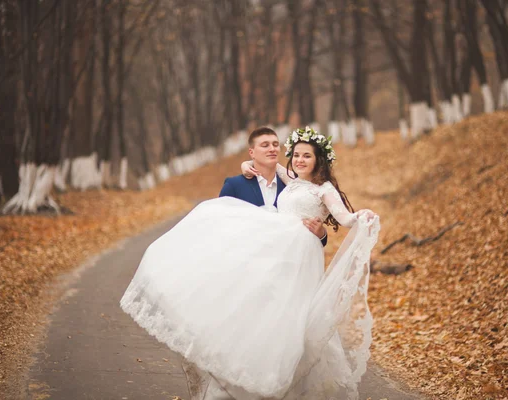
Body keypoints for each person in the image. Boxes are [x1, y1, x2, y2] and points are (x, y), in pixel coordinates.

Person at [120, 126, 380, 400]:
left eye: (277, 145)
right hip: (253, 267)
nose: (296, 158)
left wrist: (338, 227)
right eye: (296, 154)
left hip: (295, 261)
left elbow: (340, 217)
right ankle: (231, 382)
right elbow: (220, 225)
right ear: (252, 151)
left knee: (288, 322)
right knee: (244, 325)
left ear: (318, 160)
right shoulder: (243, 183)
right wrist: (248, 165)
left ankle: (277, 381)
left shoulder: (298, 183)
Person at [219, 127, 328, 247]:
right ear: (252, 153)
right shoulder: (234, 186)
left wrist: (321, 233)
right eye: (265, 145)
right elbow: (221, 228)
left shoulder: (294, 186)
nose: (272, 149)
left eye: (275, 144)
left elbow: (315, 237)